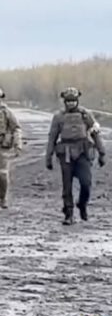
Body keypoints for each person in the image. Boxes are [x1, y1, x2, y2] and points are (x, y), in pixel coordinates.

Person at [45, 87, 106, 225]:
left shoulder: (86, 115)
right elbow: (52, 137)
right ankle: (69, 213)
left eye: (73, 101)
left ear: (77, 100)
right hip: (65, 154)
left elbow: (96, 133)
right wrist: (48, 157)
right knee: (67, 185)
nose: (71, 103)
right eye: (68, 101)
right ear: (64, 102)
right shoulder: (58, 117)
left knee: (86, 183)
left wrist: (102, 153)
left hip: (83, 153)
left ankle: (82, 204)